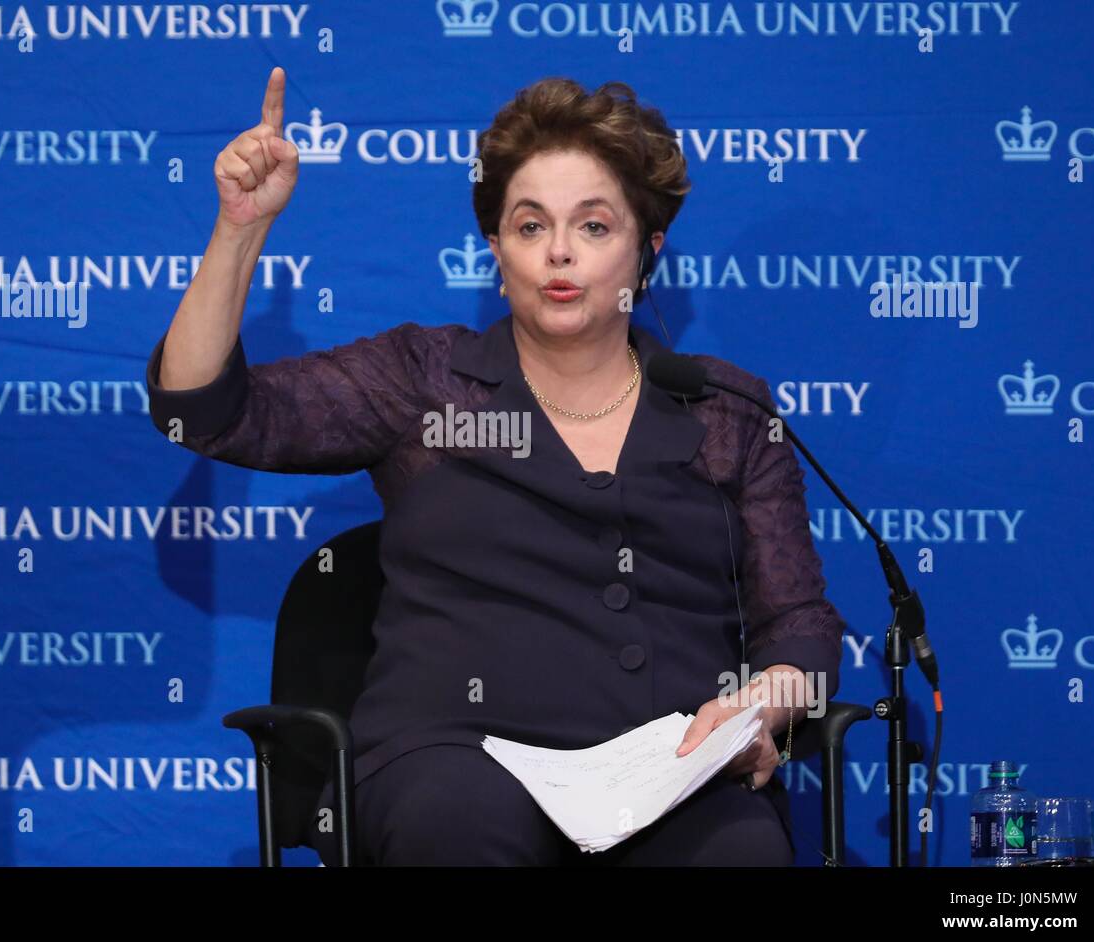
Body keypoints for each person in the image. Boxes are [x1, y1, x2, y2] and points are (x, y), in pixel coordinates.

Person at [145, 67, 847, 866]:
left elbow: (799, 622)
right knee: (459, 828)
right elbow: (198, 411)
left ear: (647, 249)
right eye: (528, 225)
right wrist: (239, 230)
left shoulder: (727, 409)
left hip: (671, 771)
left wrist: (763, 706)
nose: (558, 252)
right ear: (495, 249)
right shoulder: (422, 381)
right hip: (457, 763)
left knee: (741, 853)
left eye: (593, 227)